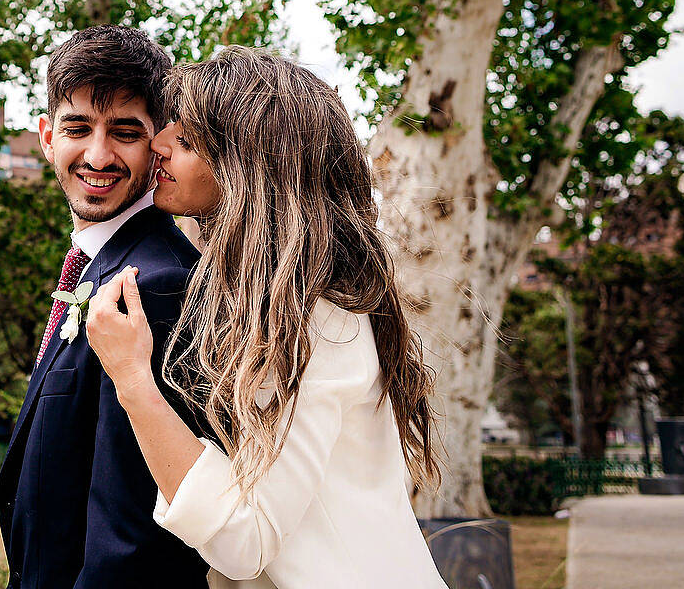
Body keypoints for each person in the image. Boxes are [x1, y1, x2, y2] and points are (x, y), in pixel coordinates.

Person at [86, 47, 448, 589]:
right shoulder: (272, 304)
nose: (157, 143)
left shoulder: (319, 322)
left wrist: (133, 382)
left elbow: (243, 540)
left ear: (248, 172)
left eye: (185, 140)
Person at [0, 25, 209, 589]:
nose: (97, 155)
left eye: (124, 132)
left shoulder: (159, 285)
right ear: (46, 137)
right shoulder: (97, 266)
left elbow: (134, 539)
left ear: (157, 144)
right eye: (77, 128)